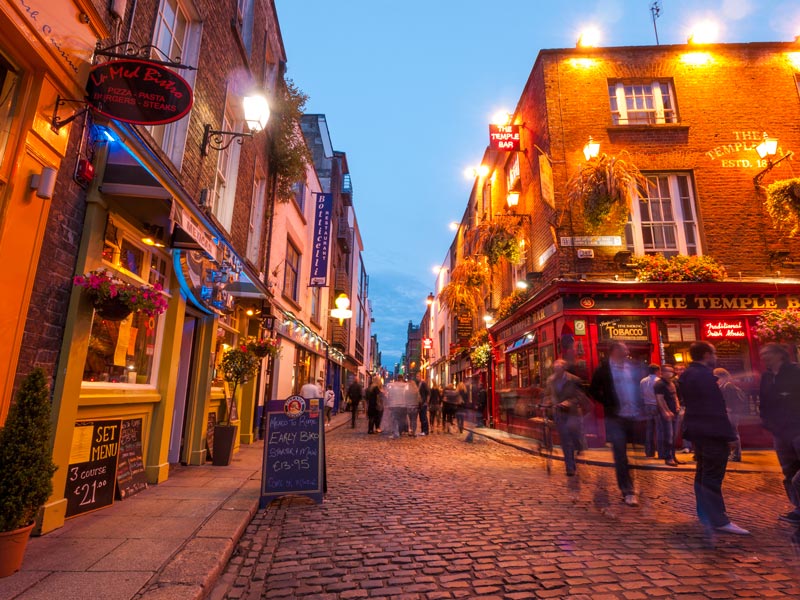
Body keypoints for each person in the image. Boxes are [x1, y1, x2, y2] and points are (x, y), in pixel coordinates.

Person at [681, 341, 748, 535]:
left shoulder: (687, 374)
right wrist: (730, 435)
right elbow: (715, 409)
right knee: (712, 475)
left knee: (703, 473)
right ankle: (718, 519)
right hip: (712, 432)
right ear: (706, 355)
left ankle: (705, 514)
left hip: (698, 431)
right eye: (714, 353)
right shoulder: (704, 377)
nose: (716, 356)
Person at [589, 340, 644, 507]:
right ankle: (627, 490)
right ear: (614, 351)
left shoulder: (633, 367)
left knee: (636, 454)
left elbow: (638, 387)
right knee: (621, 454)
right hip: (615, 417)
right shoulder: (604, 369)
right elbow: (592, 391)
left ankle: (634, 485)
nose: (627, 350)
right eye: (623, 348)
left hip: (634, 415)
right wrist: (608, 403)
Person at [759, 343, 800, 525]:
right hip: (780, 431)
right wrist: (768, 422)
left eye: (767, 353)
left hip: (797, 427)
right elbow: (764, 401)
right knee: (788, 470)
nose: (764, 357)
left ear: (780, 354)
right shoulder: (767, 377)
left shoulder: (795, 371)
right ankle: (798, 508)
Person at [545, 359, 591, 476]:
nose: (556, 371)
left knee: (575, 439)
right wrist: (547, 402)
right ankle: (570, 467)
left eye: (559, 369)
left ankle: (579, 448)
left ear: (564, 369)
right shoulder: (551, 380)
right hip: (559, 413)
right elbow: (548, 394)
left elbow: (579, 396)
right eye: (555, 369)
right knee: (566, 441)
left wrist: (569, 402)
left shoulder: (574, 380)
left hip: (573, 413)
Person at [713, 368, 747, 462]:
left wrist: (729, 408)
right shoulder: (724, 386)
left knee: (733, 433)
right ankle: (730, 453)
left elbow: (733, 400)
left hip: (731, 414)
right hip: (729, 413)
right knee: (729, 433)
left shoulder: (728, 386)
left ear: (722, 377)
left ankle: (736, 455)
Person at [654, 365, 680, 466]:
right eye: (669, 371)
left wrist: (677, 406)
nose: (671, 373)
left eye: (672, 371)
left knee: (673, 435)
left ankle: (673, 456)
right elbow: (660, 399)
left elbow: (675, 396)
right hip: (666, 414)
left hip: (675, 412)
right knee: (668, 435)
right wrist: (666, 411)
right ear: (663, 372)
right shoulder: (659, 384)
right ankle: (668, 457)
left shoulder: (672, 383)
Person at [640, 364, 661, 458]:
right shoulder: (659, 381)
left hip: (647, 405)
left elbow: (641, 394)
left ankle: (649, 452)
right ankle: (661, 452)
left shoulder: (643, 381)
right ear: (657, 371)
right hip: (657, 406)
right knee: (660, 429)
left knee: (649, 430)